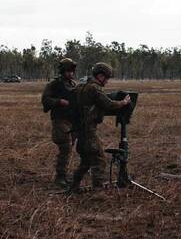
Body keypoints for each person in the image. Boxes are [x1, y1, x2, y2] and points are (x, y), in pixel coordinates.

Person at [69, 62, 131, 191]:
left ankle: (74, 186)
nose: (107, 81)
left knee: (86, 161)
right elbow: (108, 104)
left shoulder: (81, 86)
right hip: (88, 130)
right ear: (100, 76)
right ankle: (98, 191)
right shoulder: (94, 88)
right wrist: (124, 102)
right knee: (99, 159)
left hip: (79, 129)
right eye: (107, 78)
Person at [41, 58, 78, 188]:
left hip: (72, 121)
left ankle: (64, 174)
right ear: (63, 71)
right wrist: (59, 102)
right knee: (65, 147)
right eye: (68, 71)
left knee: (69, 148)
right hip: (60, 120)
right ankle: (60, 176)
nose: (71, 74)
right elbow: (45, 99)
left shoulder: (73, 85)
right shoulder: (54, 85)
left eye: (72, 71)